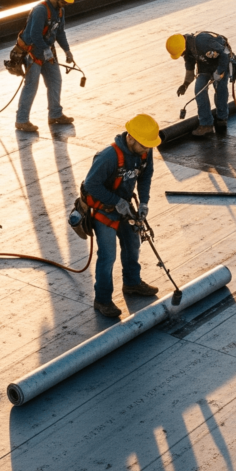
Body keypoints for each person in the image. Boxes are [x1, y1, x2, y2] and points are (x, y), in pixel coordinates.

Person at [81, 114, 162, 318]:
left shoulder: (145, 151)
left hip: (125, 207)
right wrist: (116, 202)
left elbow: (146, 175)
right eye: (144, 145)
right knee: (108, 256)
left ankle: (132, 283)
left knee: (132, 244)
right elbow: (90, 184)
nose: (147, 149)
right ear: (131, 138)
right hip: (104, 210)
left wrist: (144, 202)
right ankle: (103, 300)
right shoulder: (108, 157)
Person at [15, 0, 76, 133]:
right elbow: (35, 35)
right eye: (63, 2)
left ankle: (55, 114)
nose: (65, 5)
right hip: (33, 53)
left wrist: (67, 50)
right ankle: (22, 120)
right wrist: (46, 51)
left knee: (55, 80)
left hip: (47, 52)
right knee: (31, 86)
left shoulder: (60, 10)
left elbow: (60, 32)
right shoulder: (40, 10)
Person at [166, 32, 233, 137]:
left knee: (221, 90)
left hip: (221, 65)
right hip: (205, 68)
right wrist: (185, 84)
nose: (182, 55)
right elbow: (190, 68)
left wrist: (219, 71)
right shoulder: (188, 51)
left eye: (181, 53)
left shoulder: (202, 40)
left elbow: (225, 52)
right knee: (199, 90)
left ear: (183, 46)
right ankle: (206, 125)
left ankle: (222, 119)